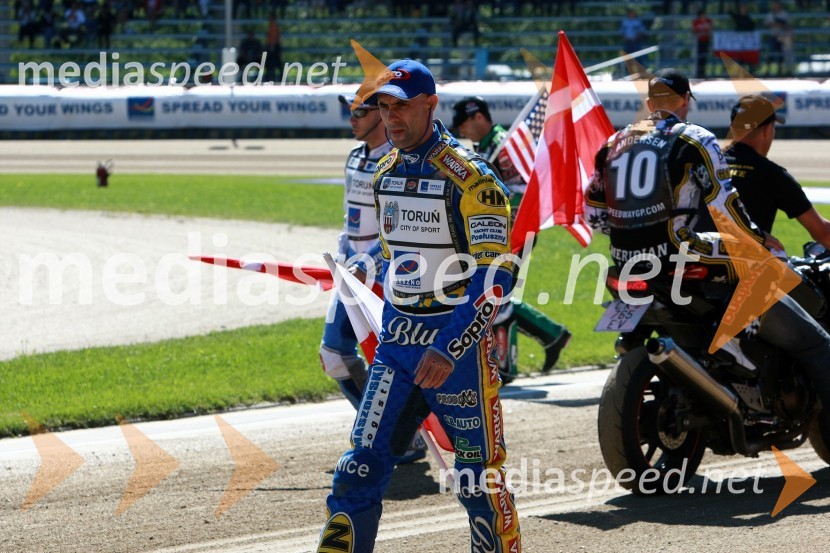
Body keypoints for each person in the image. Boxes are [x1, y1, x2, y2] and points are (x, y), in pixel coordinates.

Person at [317, 59, 521, 553]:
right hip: (396, 350)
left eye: (402, 106)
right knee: (358, 466)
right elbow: (392, 251)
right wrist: (366, 266)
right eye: (384, 108)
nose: (391, 118)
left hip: (455, 357)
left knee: (477, 479)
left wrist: (450, 347)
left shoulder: (472, 178)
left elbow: (496, 276)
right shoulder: (386, 172)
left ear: (431, 104)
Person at [585, 67, 830, 459]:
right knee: (817, 342)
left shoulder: (614, 142)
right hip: (684, 253)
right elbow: (723, 205)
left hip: (628, 263)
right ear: (686, 100)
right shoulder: (695, 138)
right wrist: (756, 241)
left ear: (649, 103)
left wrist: (637, 230)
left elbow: (594, 215)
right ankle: (736, 345)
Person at [319, 91, 427, 464]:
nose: (352, 118)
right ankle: (395, 432)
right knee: (333, 355)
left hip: (385, 277)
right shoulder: (354, 157)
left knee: (397, 362)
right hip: (352, 275)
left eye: (361, 112)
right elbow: (353, 220)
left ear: (382, 116)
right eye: (351, 111)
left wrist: (370, 262)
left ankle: (396, 435)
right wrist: (343, 253)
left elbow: (400, 232)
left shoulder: (398, 164)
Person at [452, 96, 572, 379]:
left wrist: (497, 199)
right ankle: (552, 334)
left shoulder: (506, 146)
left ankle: (505, 367)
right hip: (503, 231)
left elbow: (531, 187)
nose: (461, 132)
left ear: (478, 117)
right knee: (495, 293)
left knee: (496, 295)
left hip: (518, 228)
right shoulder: (488, 146)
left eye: (463, 125)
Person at [726, 94, 830, 249]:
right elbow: (824, 234)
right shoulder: (772, 174)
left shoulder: (705, 163)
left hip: (692, 262)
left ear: (732, 128)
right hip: (746, 268)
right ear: (768, 130)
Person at [692, 9, 713, 78]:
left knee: (704, 57)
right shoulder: (696, 22)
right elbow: (694, 31)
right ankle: (698, 73)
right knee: (699, 58)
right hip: (699, 42)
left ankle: (703, 73)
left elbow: (710, 30)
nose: (704, 16)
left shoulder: (708, 21)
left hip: (706, 41)